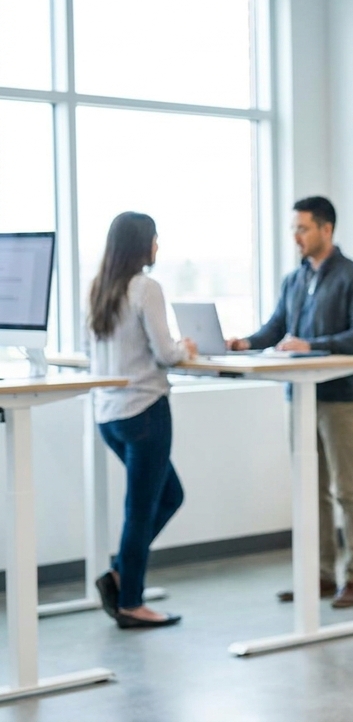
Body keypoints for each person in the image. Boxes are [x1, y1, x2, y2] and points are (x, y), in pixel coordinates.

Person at [227, 196, 353, 608]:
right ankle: (321, 575)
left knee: (348, 488)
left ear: (326, 229)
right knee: (311, 488)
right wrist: (244, 343)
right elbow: (277, 327)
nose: (296, 236)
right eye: (294, 228)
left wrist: (311, 344)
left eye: (303, 228)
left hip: (340, 398)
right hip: (300, 394)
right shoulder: (294, 280)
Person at [88, 212, 195, 628]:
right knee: (141, 508)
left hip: (109, 416)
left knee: (168, 496)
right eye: (154, 238)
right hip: (146, 411)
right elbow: (166, 354)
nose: (157, 246)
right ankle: (130, 600)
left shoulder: (99, 289)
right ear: (140, 244)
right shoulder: (146, 288)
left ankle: (119, 573)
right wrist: (184, 346)